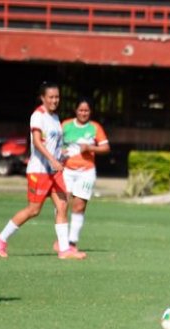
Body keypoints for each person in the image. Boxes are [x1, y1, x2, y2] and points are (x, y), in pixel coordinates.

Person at [0, 81, 86, 260]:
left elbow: (53, 144)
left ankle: (64, 249)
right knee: (33, 210)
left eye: (57, 97)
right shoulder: (38, 116)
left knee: (62, 205)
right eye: (51, 97)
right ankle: (1, 238)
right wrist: (52, 160)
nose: (54, 100)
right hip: (39, 170)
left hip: (54, 171)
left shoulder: (55, 117)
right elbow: (37, 142)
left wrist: (62, 154)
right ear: (42, 97)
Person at [53, 97, 110, 253]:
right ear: (75, 111)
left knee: (79, 205)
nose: (83, 113)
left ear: (90, 112)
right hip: (66, 171)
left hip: (86, 172)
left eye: (86, 110)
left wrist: (90, 148)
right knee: (62, 204)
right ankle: (61, 239)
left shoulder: (95, 128)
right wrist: (60, 151)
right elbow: (53, 143)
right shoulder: (65, 125)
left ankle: (72, 242)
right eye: (81, 110)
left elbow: (105, 148)